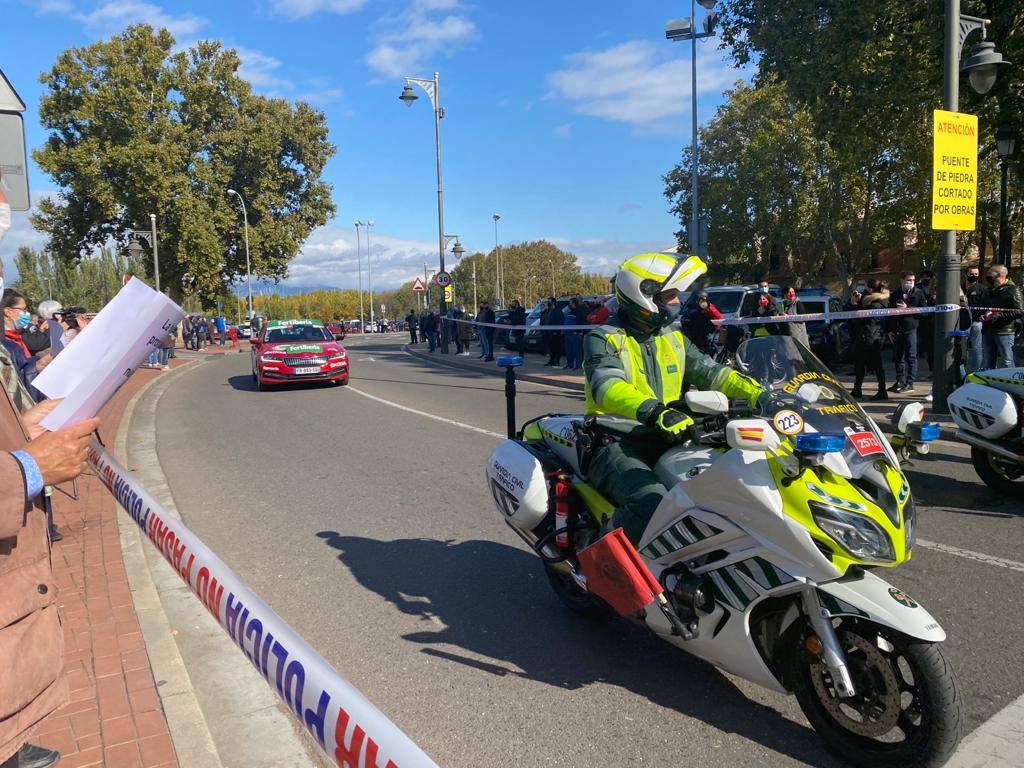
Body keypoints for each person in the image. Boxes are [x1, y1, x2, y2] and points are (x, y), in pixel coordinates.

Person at [584, 254, 763, 546]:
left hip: (671, 436)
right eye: (670, 295)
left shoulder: (672, 336)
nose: (676, 302)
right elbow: (606, 386)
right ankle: (601, 560)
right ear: (645, 296)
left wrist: (762, 393)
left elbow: (712, 372)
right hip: (617, 440)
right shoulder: (604, 337)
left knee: (730, 489)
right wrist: (655, 411)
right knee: (650, 504)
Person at [3, 290, 51, 399]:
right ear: (8, 312)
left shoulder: (18, 336)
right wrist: (36, 366)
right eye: (24, 309)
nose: (27, 313)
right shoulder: (5, 344)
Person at [849, 279, 889, 400]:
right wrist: (854, 301)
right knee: (861, 364)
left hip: (870, 337)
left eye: (865, 287)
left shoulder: (876, 303)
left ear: (871, 289)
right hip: (869, 336)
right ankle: (857, 389)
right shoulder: (871, 300)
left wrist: (855, 306)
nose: (864, 290)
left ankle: (882, 391)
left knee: (875, 365)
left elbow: (859, 317)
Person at [888, 270, 927, 394]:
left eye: (913, 280)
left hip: (910, 329)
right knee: (898, 357)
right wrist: (889, 330)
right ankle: (900, 380)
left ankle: (910, 383)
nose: (911, 283)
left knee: (911, 356)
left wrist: (908, 309)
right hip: (897, 330)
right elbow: (889, 313)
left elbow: (924, 312)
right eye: (908, 280)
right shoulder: (895, 294)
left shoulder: (919, 293)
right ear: (902, 281)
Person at [980, 264, 1023, 369]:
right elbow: (981, 307)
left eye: (990, 273)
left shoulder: (1013, 290)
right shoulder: (988, 291)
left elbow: (1019, 311)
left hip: (1004, 331)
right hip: (987, 330)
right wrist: (983, 315)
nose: (987, 276)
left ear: (999, 275)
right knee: (987, 361)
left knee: (1007, 360)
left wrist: (996, 315)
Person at [963, 266, 985, 372]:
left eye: (976, 274)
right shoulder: (959, 288)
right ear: (965, 274)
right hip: (961, 323)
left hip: (976, 322)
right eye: (971, 274)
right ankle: (963, 372)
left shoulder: (981, 289)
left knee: (976, 348)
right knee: (963, 349)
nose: (974, 276)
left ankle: (976, 372)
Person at [562, 298, 580, 369]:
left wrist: (577, 331)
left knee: (576, 351)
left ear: (574, 303)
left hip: (574, 334)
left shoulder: (578, 312)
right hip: (567, 334)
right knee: (568, 350)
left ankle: (578, 365)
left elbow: (580, 322)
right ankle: (569, 364)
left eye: (570, 303)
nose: (569, 304)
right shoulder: (569, 312)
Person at [544, 298, 563, 367]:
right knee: (550, 347)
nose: (548, 303)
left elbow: (560, 321)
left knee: (557, 347)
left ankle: (557, 361)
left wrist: (556, 331)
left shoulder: (558, 311)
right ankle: (551, 361)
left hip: (555, 332)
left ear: (553, 302)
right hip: (549, 332)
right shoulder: (549, 310)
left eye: (549, 302)